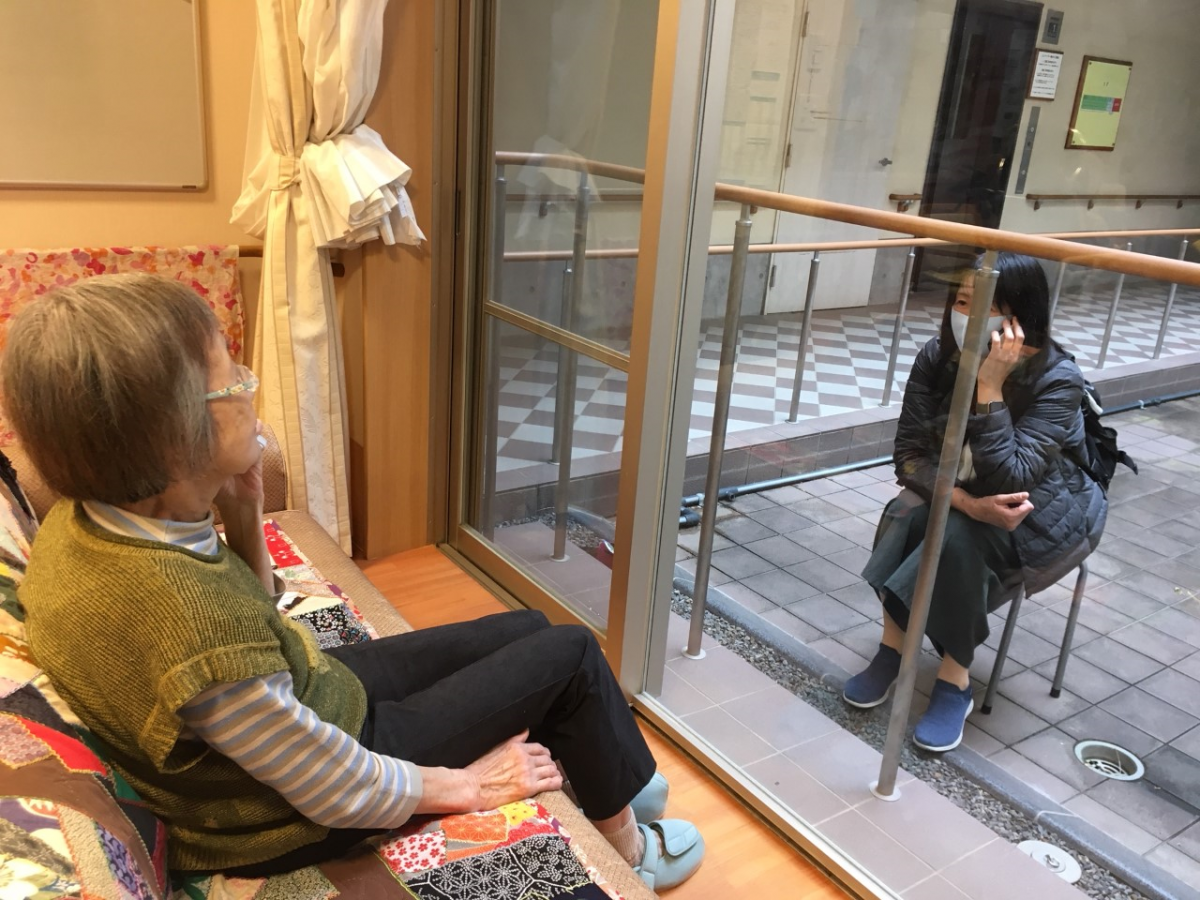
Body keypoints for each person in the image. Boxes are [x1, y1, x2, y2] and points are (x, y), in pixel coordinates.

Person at [5, 274, 703, 890]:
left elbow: (251, 620)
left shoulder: (87, 520)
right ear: (174, 435)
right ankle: (628, 848)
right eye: (234, 380)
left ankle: (609, 773)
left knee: (527, 628)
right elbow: (328, 785)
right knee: (571, 654)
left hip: (305, 702)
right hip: (284, 813)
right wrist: (464, 786)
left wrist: (244, 514)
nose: (249, 386)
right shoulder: (182, 616)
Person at [843, 252, 1106, 752]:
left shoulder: (1057, 378)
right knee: (905, 512)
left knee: (958, 538)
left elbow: (1013, 477)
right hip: (967, 495)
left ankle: (955, 679)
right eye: (962, 300)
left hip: (1039, 510)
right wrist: (964, 501)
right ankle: (893, 650)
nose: (966, 313)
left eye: (986, 305)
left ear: (1019, 317)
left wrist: (989, 385)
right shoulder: (937, 356)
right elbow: (909, 458)